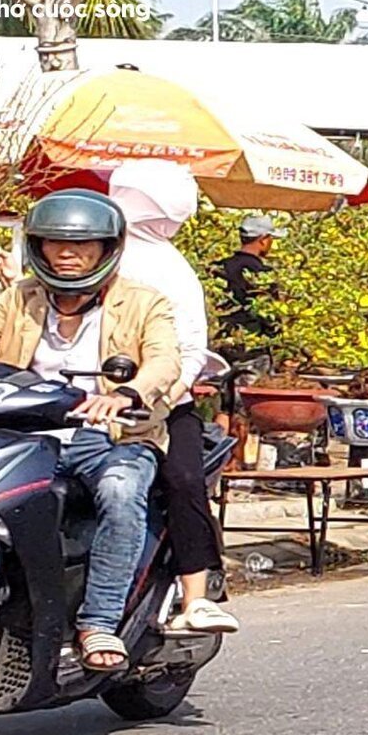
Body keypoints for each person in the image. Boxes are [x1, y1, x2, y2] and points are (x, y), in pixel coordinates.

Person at [0, 190, 180, 673]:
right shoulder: (19, 297)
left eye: (82, 246)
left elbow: (165, 359)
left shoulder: (145, 303)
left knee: (121, 492)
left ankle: (99, 621)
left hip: (108, 434)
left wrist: (127, 394)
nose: (67, 255)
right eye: (54, 244)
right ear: (35, 247)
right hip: (23, 435)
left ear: (108, 250)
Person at [107, 160, 239, 636]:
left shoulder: (171, 269)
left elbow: (187, 347)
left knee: (183, 479)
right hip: (76, 404)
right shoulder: (83, 251)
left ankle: (196, 597)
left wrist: (170, 387)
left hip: (158, 406)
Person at [215, 214, 284, 347]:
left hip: (221, 340)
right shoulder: (263, 274)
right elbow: (271, 315)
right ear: (263, 240)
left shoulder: (218, 267)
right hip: (253, 345)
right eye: (271, 238)